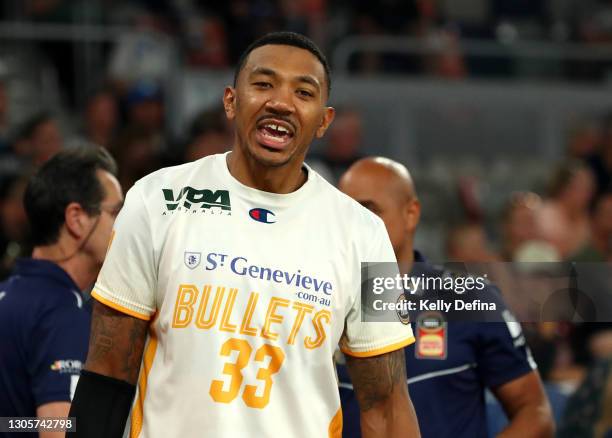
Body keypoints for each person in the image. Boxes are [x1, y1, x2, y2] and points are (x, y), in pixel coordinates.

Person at [68, 32, 420, 438]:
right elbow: (107, 371)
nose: (281, 102)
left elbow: (387, 403)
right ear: (231, 101)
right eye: (264, 84)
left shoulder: (367, 233)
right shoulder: (157, 198)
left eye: (303, 92)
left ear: (323, 121)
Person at [337, 157, 555, 438]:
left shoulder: (469, 299)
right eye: (345, 214)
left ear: (411, 213)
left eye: (368, 211)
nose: (354, 225)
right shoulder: (318, 302)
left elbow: (534, 412)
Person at [0, 147, 123, 437]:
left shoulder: (8, 294)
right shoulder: (61, 316)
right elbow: (56, 429)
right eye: (116, 212)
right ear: (76, 218)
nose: (125, 225)